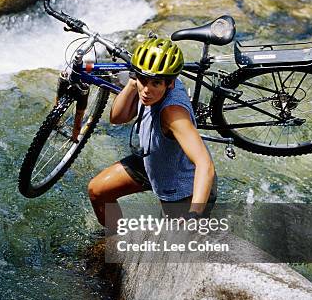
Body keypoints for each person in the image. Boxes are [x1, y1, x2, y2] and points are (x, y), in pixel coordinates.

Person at [88, 37, 217, 230]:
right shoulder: (149, 82)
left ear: (170, 84)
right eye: (142, 80)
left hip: (182, 186)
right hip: (153, 160)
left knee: (171, 252)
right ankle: (119, 240)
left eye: (155, 83)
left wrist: (194, 213)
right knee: (98, 191)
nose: (146, 90)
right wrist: (133, 84)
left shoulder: (173, 114)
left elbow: (205, 164)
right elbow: (117, 118)